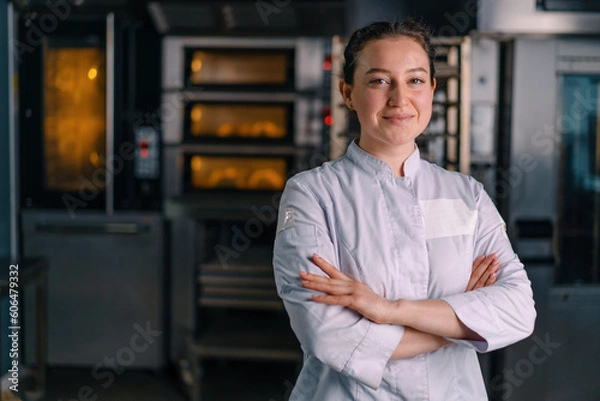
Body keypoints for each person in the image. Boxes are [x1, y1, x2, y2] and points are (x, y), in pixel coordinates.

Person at [272, 19, 536, 400]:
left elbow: (518, 311)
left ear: (431, 88)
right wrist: (463, 322)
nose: (399, 99)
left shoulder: (467, 194)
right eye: (379, 81)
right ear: (347, 92)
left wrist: (388, 309)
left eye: (414, 80)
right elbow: (329, 336)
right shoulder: (312, 194)